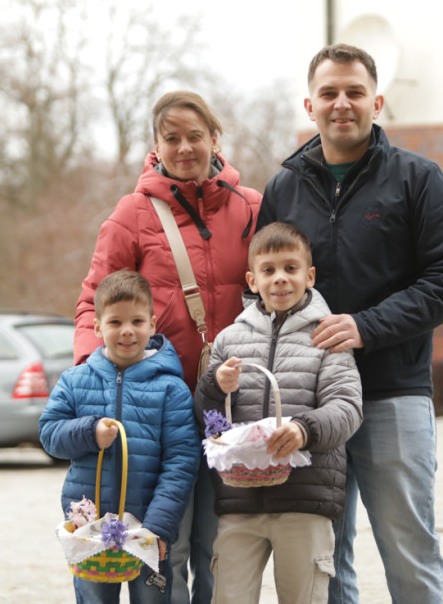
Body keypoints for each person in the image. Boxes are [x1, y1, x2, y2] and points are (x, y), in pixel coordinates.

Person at [256, 44, 443, 604]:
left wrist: (366, 326)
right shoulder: (283, 188)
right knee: (325, 559)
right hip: (311, 406)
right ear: (310, 105)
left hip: (391, 394)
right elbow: (261, 286)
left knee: (409, 551)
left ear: (377, 103)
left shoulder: (418, 179)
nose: (342, 103)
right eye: (328, 93)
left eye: (354, 92)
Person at [74, 91, 262, 604]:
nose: (184, 148)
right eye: (171, 138)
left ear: (215, 139)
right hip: (159, 409)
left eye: (194, 136)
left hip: (231, 405)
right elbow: (93, 303)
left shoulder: (252, 208)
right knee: (167, 546)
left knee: (221, 546)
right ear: (156, 145)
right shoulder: (132, 213)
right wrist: (95, 379)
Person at [194, 222, 362, 604]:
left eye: (291, 268)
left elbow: (347, 407)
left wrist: (305, 430)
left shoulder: (327, 335)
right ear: (253, 280)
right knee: (229, 597)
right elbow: (207, 418)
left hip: (306, 499)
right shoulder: (229, 340)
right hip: (238, 501)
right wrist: (215, 386)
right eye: (269, 270)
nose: (280, 278)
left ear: (309, 276)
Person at [41, 270, 201, 603]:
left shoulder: (171, 389)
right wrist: (89, 432)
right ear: (98, 327)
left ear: (152, 325)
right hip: (90, 532)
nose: (127, 330)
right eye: (115, 322)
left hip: (147, 530)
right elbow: (49, 433)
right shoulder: (74, 381)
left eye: (137, 321)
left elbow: (181, 462)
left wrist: (159, 527)